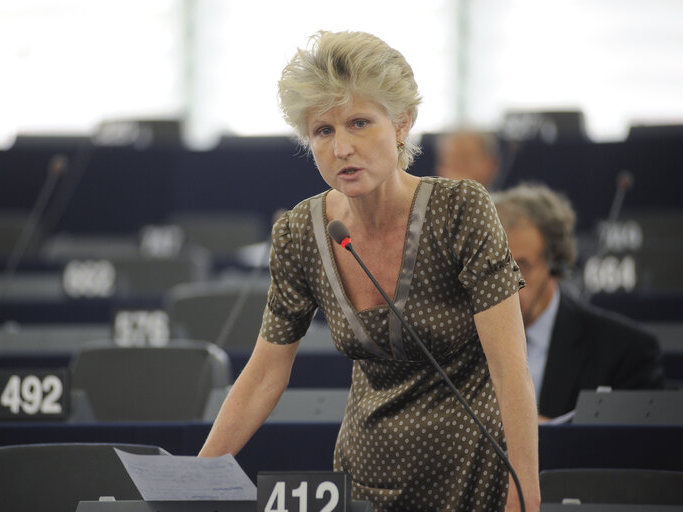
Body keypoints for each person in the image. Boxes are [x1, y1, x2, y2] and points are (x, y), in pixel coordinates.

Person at [199, 31, 540, 512]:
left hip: (472, 475)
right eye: (323, 131)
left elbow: (510, 369)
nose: (341, 149)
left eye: (359, 123)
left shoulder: (461, 209)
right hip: (363, 481)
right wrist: (195, 477)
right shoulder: (300, 233)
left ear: (402, 123)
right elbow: (264, 374)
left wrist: (524, 491)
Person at [492, 183, 665, 421]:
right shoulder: (455, 342)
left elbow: (637, 452)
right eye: (494, 268)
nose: (505, 285)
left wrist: (537, 432)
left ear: (557, 262)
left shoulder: (626, 352)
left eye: (522, 266)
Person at [434, 129, 501, 190]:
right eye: (452, 160)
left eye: (466, 159)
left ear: (491, 164)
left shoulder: (507, 202)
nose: (459, 167)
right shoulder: (430, 200)